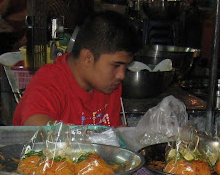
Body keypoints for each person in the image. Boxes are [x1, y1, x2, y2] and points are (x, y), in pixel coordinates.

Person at [12, 11, 141, 127]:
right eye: (116, 65)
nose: (121, 75)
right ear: (87, 58)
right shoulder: (49, 82)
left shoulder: (110, 87)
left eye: (126, 66)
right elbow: (35, 127)